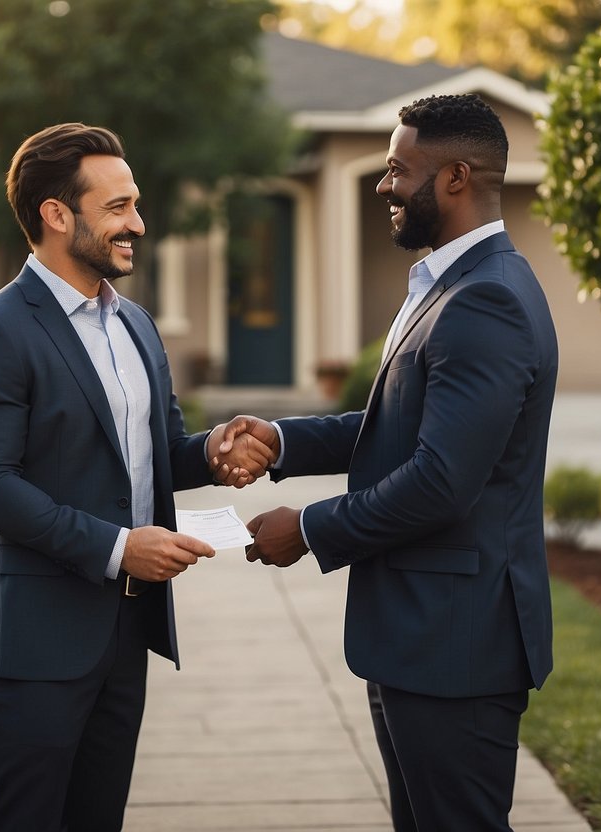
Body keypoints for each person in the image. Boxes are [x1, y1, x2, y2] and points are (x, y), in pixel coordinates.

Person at [234, 93, 559, 831]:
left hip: (457, 644)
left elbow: (441, 481)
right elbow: (396, 427)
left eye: (395, 169)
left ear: (453, 177)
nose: (383, 185)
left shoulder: (485, 301)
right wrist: (281, 442)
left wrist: (309, 530)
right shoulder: (449, 286)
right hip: (420, 637)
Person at [0, 122, 274, 832]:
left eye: (135, 205)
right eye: (118, 207)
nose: (138, 224)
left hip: (126, 634)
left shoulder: (137, 326)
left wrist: (211, 451)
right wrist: (121, 548)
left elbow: (154, 455)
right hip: (36, 641)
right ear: (57, 215)